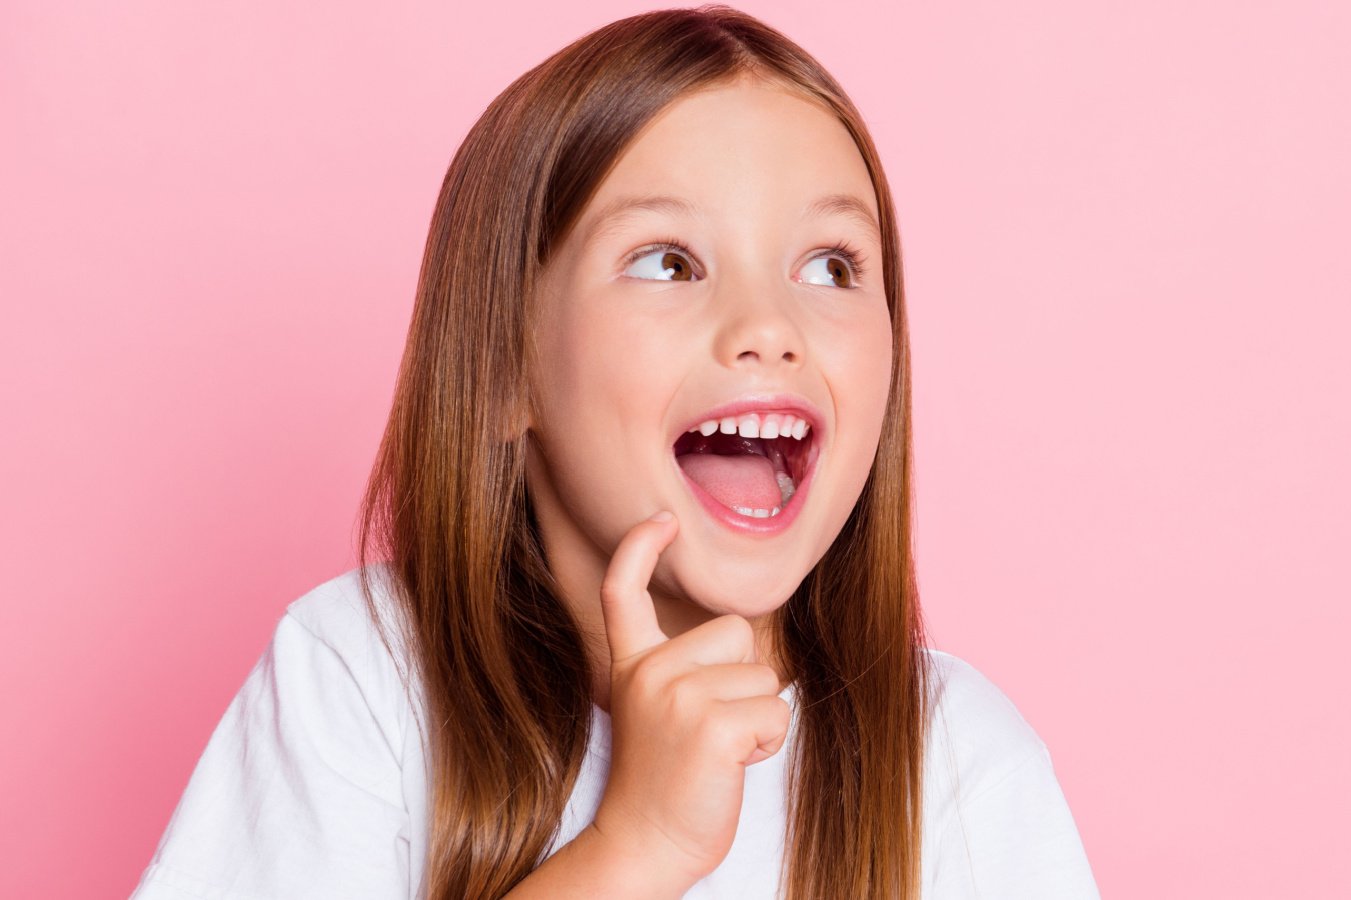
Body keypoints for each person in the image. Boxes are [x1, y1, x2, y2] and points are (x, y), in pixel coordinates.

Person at [129, 6, 1099, 898]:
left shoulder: (957, 767)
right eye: (667, 261)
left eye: (830, 265)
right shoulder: (365, 678)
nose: (768, 324)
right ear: (505, 364)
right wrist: (637, 848)